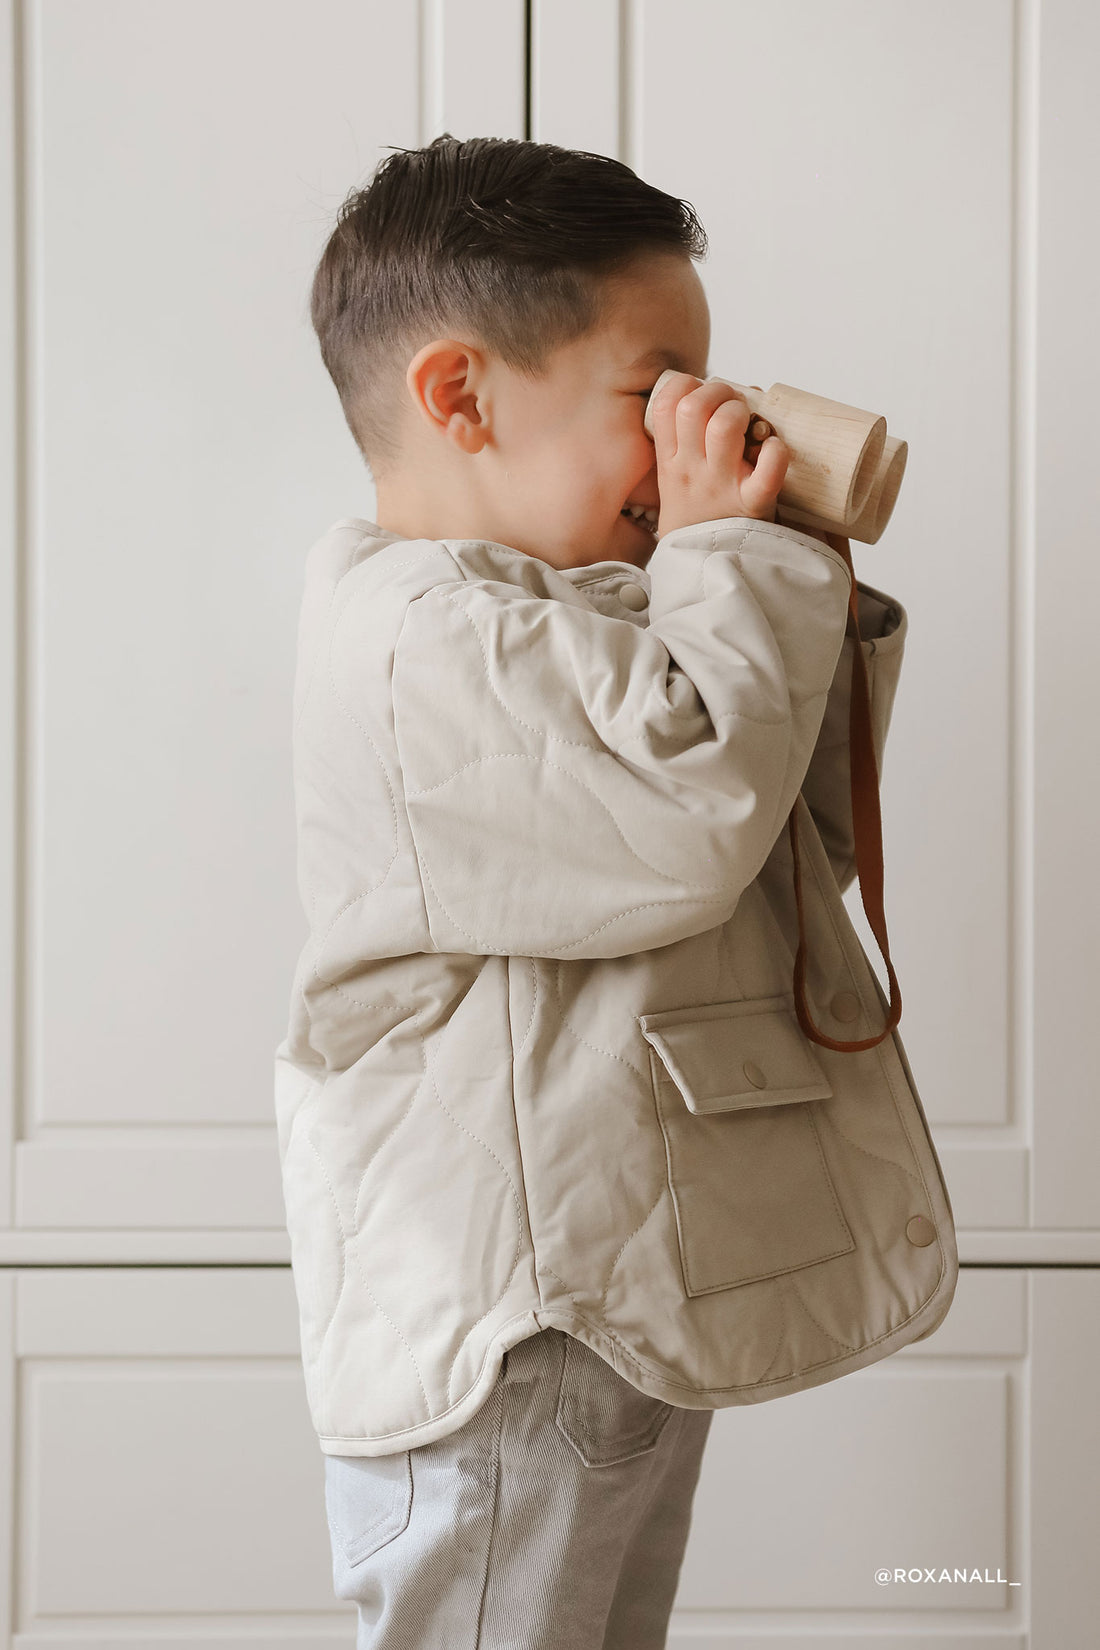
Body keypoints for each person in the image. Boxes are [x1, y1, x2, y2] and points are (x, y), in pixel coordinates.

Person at [275, 133, 938, 1648]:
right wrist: (724, 564)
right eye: (659, 395)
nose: (701, 433)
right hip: (518, 1319)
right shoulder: (417, 637)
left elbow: (787, 846)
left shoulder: (586, 619)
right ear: (461, 397)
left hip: (611, 1277)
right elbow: (689, 812)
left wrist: (767, 563)